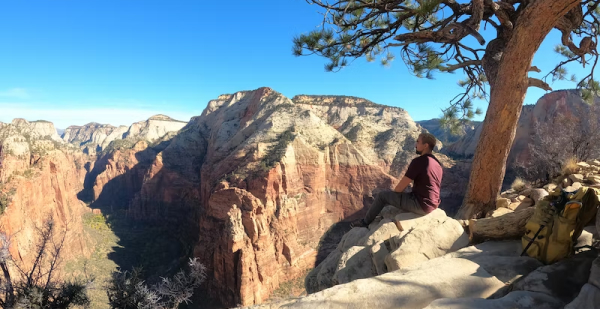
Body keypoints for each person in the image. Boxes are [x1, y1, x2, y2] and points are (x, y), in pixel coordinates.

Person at [351, 132, 443, 228]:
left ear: (425, 145)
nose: (415, 145)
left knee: (382, 196)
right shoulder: (437, 163)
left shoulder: (418, 162)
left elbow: (398, 189)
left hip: (421, 205)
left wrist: (397, 194)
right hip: (434, 203)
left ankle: (365, 222)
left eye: (418, 142)